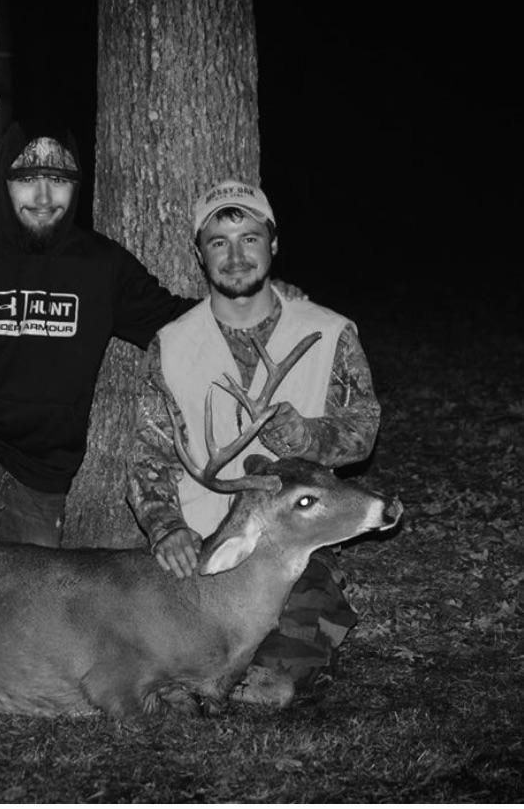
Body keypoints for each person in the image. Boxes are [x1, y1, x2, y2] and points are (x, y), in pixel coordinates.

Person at [0, 119, 303, 554]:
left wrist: (260, 302)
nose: (44, 198)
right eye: (27, 180)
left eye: (59, 181)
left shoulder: (99, 265)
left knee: (26, 582)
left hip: (40, 472)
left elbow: (174, 320)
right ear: (3, 182)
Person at [126, 179, 381, 699]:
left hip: (292, 542)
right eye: (219, 242)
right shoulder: (172, 344)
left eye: (250, 238)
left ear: (274, 244)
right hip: (201, 545)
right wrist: (165, 526)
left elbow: (362, 432)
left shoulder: (329, 332)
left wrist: (308, 436)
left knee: (277, 678)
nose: (236, 256)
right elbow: (148, 455)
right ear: (199, 254)